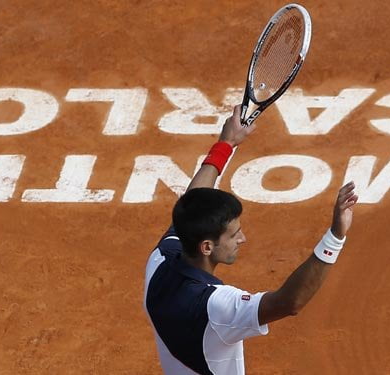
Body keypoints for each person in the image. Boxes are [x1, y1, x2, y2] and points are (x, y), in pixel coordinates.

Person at [143, 105, 358, 375]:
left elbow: (193, 201)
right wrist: (336, 237)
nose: (242, 239)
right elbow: (289, 302)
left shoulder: (160, 261)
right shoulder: (217, 307)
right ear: (207, 247)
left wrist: (226, 144)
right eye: (233, 235)